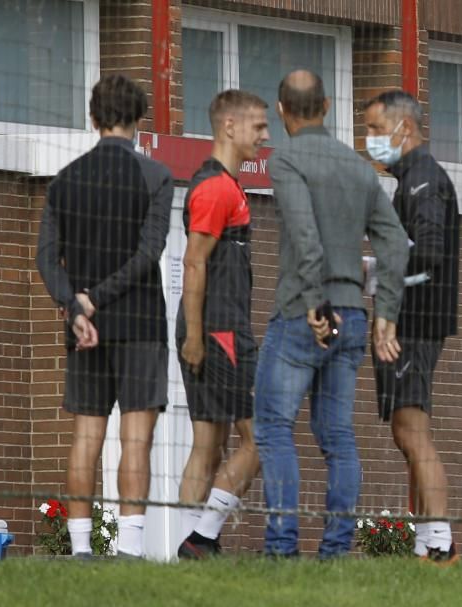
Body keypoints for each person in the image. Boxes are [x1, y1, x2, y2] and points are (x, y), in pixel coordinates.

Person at [254, 70, 408, 559]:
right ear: (326, 106)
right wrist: (385, 311)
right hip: (354, 315)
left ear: (281, 111)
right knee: (338, 435)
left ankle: (281, 548)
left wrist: (315, 303)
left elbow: (303, 235)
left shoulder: (286, 160)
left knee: (275, 425)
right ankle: (337, 551)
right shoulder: (359, 166)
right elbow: (394, 244)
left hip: (304, 310)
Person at [36, 74, 173, 559]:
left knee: (85, 437)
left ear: (92, 119)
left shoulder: (64, 181)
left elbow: (46, 260)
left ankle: (79, 551)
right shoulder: (156, 177)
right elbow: (148, 254)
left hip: (84, 331)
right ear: (137, 119)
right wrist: (96, 298)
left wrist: (76, 306)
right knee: (136, 439)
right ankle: (130, 552)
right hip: (140, 326)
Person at [364, 90, 461, 564]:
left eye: (377, 131)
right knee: (409, 429)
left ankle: (441, 545)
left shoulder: (424, 179)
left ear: (405, 128)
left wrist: (380, 273)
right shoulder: (410, 180)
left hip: (415, 322)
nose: (370, 142)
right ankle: (427, 543)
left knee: (411, 430)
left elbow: (428, 250)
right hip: (412, 318)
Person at [176, 90, 270, 559]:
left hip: (216, 329)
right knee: (263, 435)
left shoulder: (228, 186)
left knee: (208, 442)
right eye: (258, 126)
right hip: (219, 332)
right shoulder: (214, 188)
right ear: (229, 126)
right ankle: (203, 536)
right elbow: (194, 263)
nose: (265, 135)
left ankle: (188, 549)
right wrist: (195, 335)